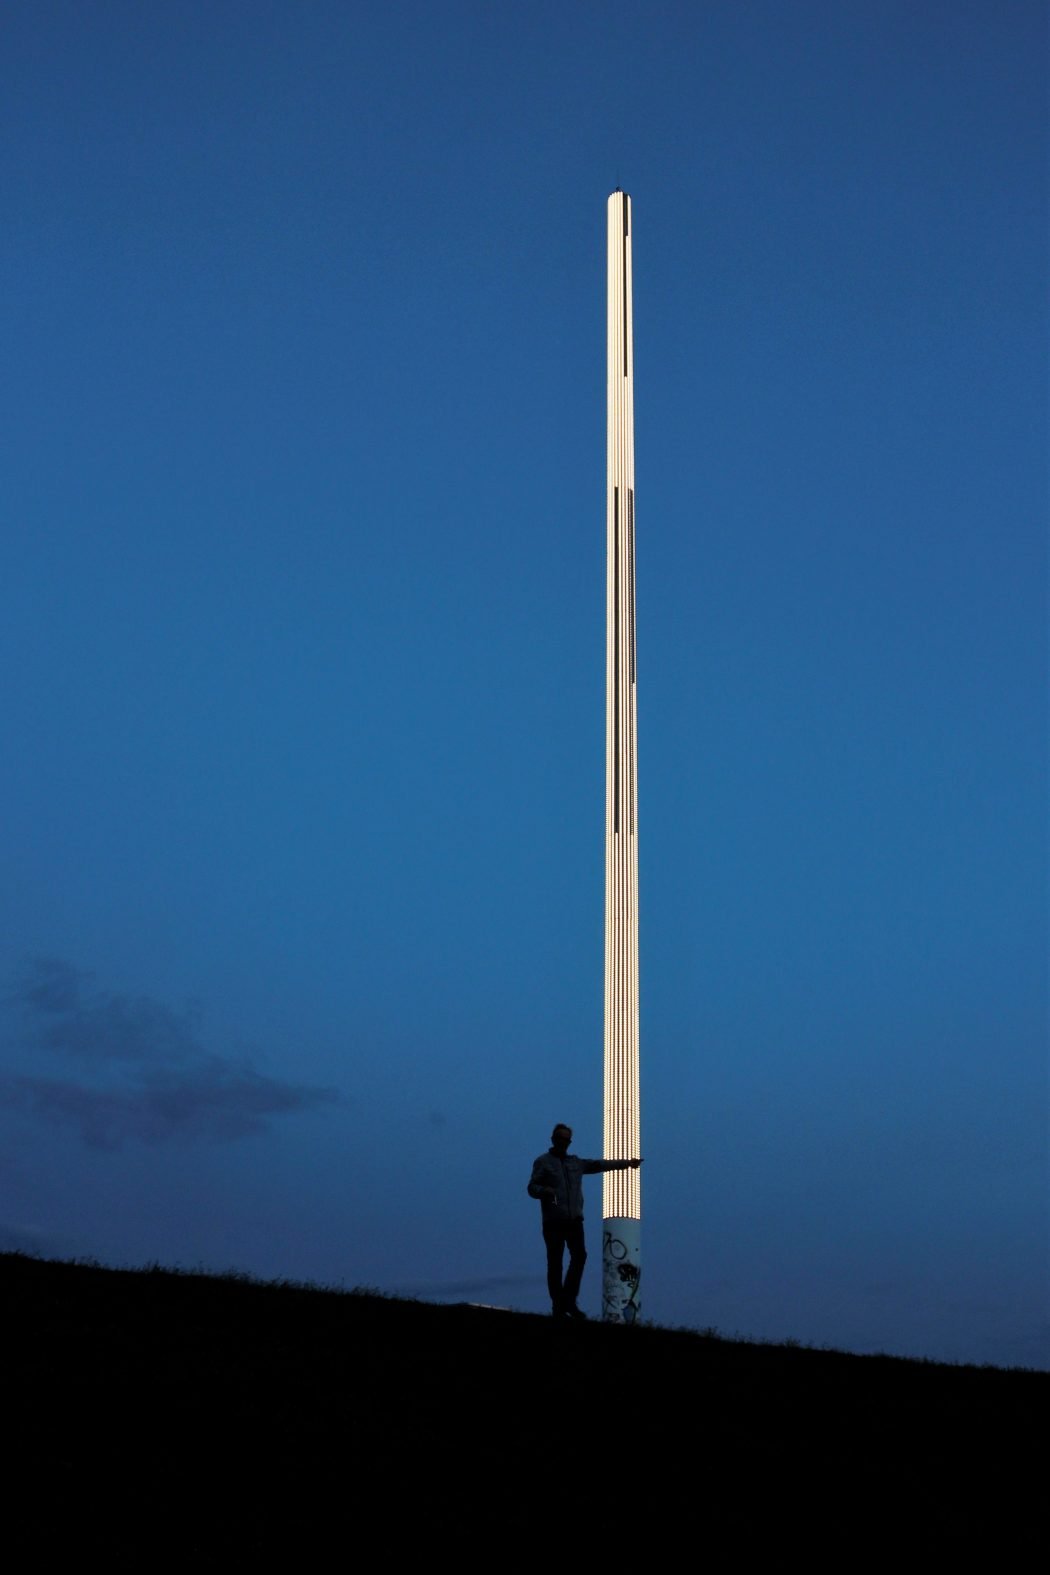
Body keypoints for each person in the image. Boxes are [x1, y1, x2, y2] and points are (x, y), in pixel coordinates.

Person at [527, 1123, 642, 1319]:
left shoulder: (575, 1163)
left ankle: (568, 1301)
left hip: (574, 1220)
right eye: (560, 1138)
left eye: (566, 1139)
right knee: (555, 1263)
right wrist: (545, 1191)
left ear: (569, 1142)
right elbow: (532, 1187)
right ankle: (559, 1306)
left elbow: (599, 1165)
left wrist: (627, 1164)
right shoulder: (543, 1162)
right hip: (554, 1221)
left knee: (579, 1257)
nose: (563, 1142)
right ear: (553, 1139)